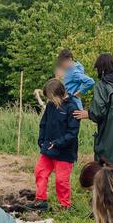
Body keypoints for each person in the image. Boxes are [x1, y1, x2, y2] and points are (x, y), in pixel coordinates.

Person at [30, 78, 79, 211]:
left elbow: (72, 133)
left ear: (59, 94)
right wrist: (41, 140)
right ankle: (41, 200)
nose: (50, 101)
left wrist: (57, 143)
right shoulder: (51, 105)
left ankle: (65, 205)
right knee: (40, 172)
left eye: (51, 97)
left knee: (61, 180)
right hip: (47, 148)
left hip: (64, 151)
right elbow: (44, 123)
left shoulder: (72, 107)